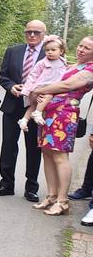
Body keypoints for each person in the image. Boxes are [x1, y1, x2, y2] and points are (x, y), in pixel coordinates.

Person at [31, 36, 93, 216]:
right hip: (49, 113)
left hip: (65, 114)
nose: (81, 49)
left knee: (60, 156)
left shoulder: (90, 69)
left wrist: (38, 90)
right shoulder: (72, 66)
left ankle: (63, 200)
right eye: (80, 45)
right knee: (47, 153)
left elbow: (67, 85)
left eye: (86, 48)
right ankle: (51, 195)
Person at [0, 20, 47, 201]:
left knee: (33, 148)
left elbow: (56, 78)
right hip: (12, 104)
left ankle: (31, 187)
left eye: (36, 32)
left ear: (43, 35)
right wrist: (11, 86)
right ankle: (6, 183)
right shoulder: (13, 51)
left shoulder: (50, 53)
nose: (32, 35)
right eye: (29, 31)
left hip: (35, 107)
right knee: (8, 145)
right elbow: (3, 76)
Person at [18, 35, 67, 131]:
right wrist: (27, 90)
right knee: (47, 96)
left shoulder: (63, 62)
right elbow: (32, 76)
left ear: (61, 51)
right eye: (47, 50)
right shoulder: (42, 63)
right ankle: (38, 112)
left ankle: (24, 120)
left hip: (54, 87)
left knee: (34, 105)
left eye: (53, 50)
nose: (50, 52)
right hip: (43, 86)